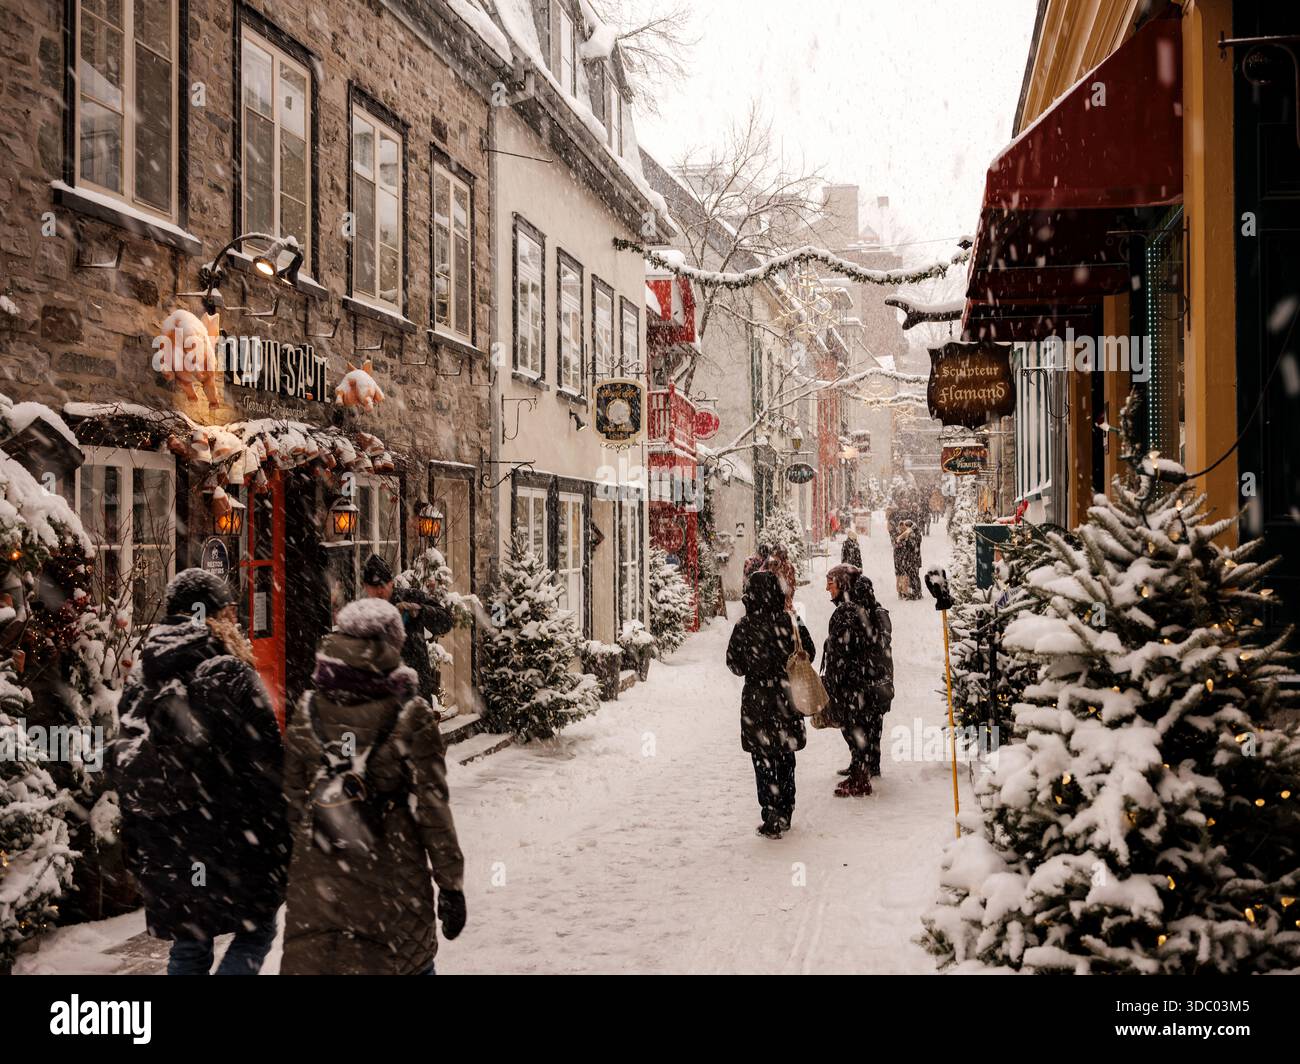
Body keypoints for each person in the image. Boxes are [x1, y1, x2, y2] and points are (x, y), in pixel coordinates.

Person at [111, 569, 289, 976]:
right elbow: (267, 767)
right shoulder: (231, 674)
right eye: (228, 610)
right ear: (214, 615)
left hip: (167, 839)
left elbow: (128, 755)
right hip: (229, 836)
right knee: (258, 928)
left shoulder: (143, 675)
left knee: (191, 941)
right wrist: (280, 838)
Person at [281, 598, 466, 975]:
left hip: (319, 889)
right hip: (392, 887)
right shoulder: (410, 715)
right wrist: (450, 885)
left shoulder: (307, 711)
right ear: (392, 645)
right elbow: (433, 810)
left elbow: (293, 802)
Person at [726, 570, 815, 839]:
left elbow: (734, 663)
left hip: (757, 700)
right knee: (786, 754)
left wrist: (755, 665)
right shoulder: (791, 621)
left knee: (763, 758)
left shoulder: (745, 626)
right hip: (786, 697)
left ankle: (770, 811)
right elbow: (808, 651)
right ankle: (786, 808)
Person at [361, 553, 454, 703]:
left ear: (391, 583)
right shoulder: (362, 615)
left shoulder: (410, 598)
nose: (379, 591)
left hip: (415, 696)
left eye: (383, 585)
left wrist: (421, 611)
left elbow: (446, 622)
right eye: (374, 587)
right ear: (365, 587)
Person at [819, 563, 874, 797]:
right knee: (855, 727)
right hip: (857, 681)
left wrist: (833, 682)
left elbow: (840, 651)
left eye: (831, 584)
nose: (827, 589)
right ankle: (859, 770)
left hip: (851, 683)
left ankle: (860, 779)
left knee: (854, 727)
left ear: (842, 584)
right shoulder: (854, 609)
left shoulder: (847, 612)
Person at [850, 574, 894, 777]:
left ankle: (871, 763)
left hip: (876, 676)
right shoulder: (860, 613)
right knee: (867, 721)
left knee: (872, 721)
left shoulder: (877, 613)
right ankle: (864, 762)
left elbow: (882, 641)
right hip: (870, 676)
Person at [893, 518, 923, 600]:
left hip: (913, 559)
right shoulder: (907, 534)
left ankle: (917, 593)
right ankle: (911, 592)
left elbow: (912, 545)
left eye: (906, 527)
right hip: (909, 559)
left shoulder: (914, 534)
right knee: (910, 576)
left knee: (914, 575)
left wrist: (904, 541)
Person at [764, 546, 798, 612]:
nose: (773, 557)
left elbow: (789, 588)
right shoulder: (773, 565)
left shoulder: (786, 567)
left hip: (781, 606)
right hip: (778, 605)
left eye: (774, 555)